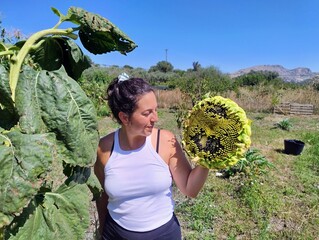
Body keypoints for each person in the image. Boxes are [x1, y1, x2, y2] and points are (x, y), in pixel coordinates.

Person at [94, 73, 209, 240]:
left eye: (155, 110)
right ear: (124, 117)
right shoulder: (104, 149)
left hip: (164, 235)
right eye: (147, 113)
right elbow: (102, 197)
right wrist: (102, 233)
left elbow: (189, 189)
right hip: (116, 235)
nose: (155, 118)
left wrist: (208, 159)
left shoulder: (165, 141)